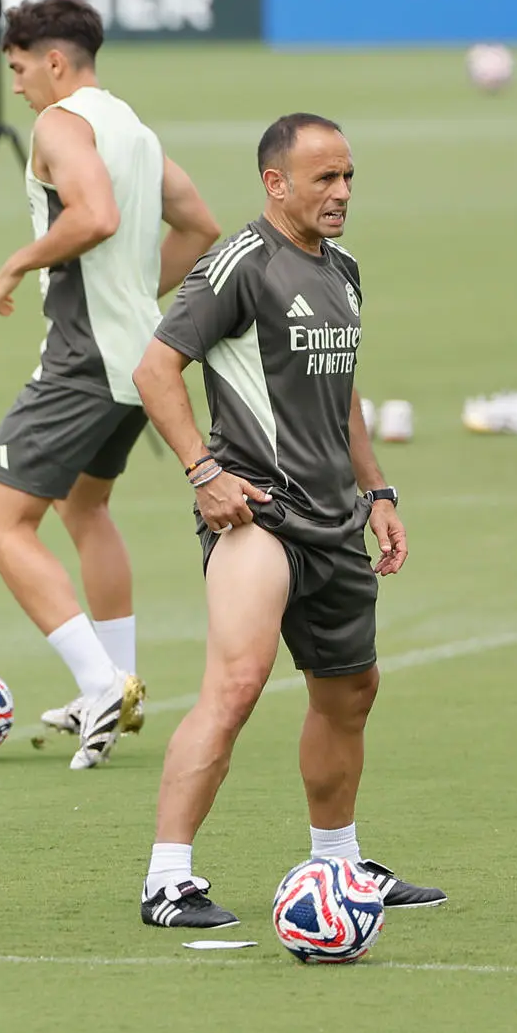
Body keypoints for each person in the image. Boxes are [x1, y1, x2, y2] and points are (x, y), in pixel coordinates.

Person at [132, 113, 444, 928]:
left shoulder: (342, 270)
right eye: (324, 179)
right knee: (235, 685)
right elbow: (154, 369)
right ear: (276, 184)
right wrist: (204, 472)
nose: (341, 194)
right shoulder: (241, 263)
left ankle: (338, 863)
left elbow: (341, 395)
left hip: (336, 520)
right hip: (257, 518)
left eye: (348, 178)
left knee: (350, 692)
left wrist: (377, 494)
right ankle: (167, 879)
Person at [0, 0, 222, 770]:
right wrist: (141, 298)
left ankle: (98, 681)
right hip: (137, 360)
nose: (16, 87)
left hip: (81, 359)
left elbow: (97, 215)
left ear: (52, 61)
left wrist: (20, 258)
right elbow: (201, 226)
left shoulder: (61, 123)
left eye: (17, 69)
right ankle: (122, 684)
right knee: (87, 508)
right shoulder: (133, 129)